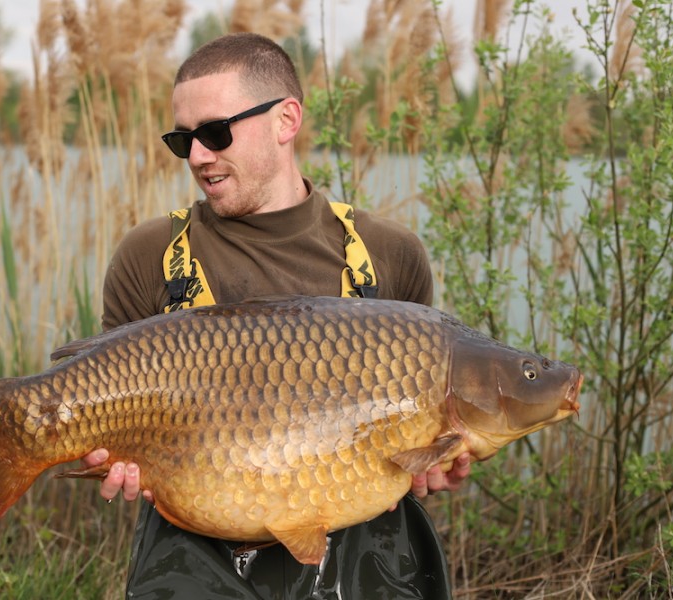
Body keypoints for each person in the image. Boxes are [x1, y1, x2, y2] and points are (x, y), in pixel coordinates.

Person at [81, 32, 471, 599]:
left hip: (363, 558)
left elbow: (415, 422)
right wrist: (109, 460)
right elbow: (109, 417)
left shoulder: (389, 253)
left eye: (215, 133)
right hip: (196, 558)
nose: (197, 157)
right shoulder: (150, 257)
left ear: (287, 120)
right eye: (182, 139)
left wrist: (434, 463)